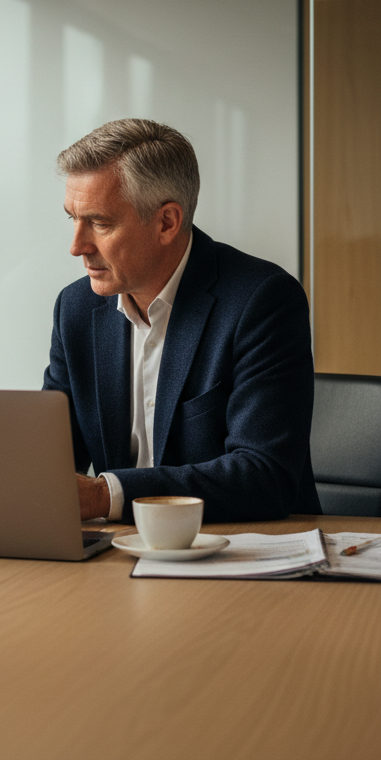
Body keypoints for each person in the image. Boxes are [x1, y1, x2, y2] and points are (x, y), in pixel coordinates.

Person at [43, 119, 320, 524]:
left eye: (100, 223)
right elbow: (50, 459)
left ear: (167, 222)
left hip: (241, 553)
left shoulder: (261, 301)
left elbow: (264, 476)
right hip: (116, 555)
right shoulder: (76, 309)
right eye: (73, 218)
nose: (76, 246)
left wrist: (106, 496)